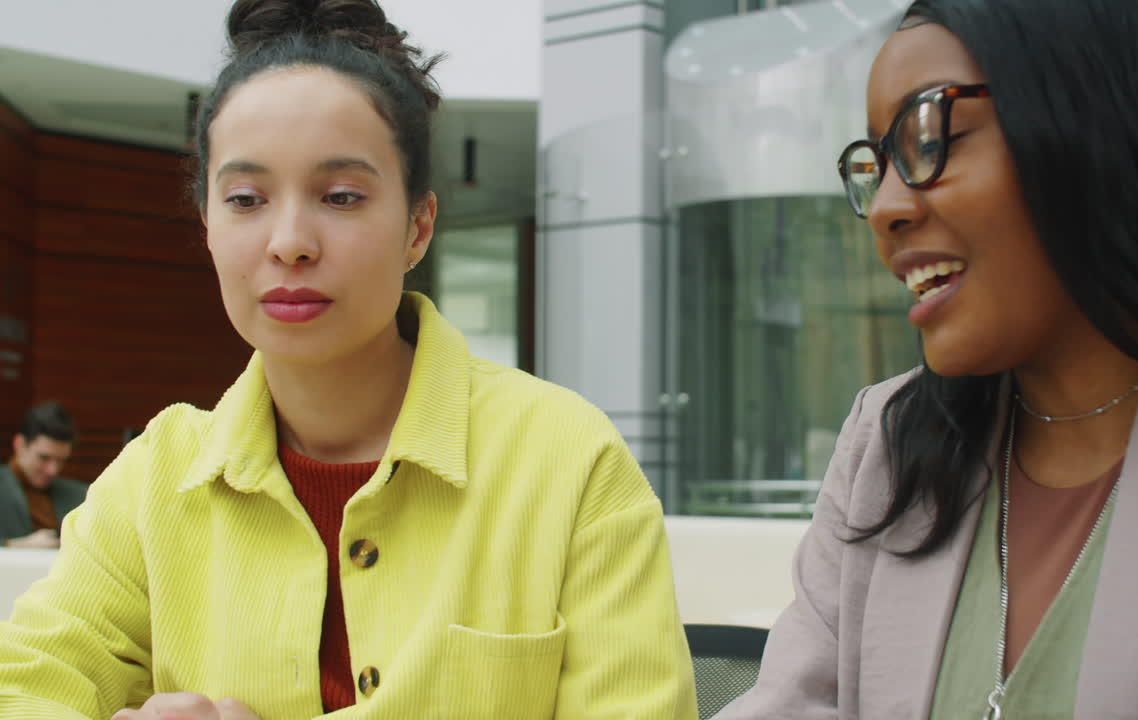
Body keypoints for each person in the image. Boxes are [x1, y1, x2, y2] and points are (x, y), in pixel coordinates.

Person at [0, 1, 696, 718]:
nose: (289, 242)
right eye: (246, 199)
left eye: (340, 196)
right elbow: (24, 688)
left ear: (418, 227)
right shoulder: (154, 481)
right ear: (208, 225)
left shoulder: (567, 462)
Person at [715, 0, 1138, 718]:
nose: (885, 207)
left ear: (1109, 120)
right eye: (877, 164)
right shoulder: (887, 443)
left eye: (929, 137)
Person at [0, 402, 86, 549]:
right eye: (44, 458)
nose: (52, 470)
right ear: (20, 445)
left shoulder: (80, 494)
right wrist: (15, 545)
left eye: (61, 460)